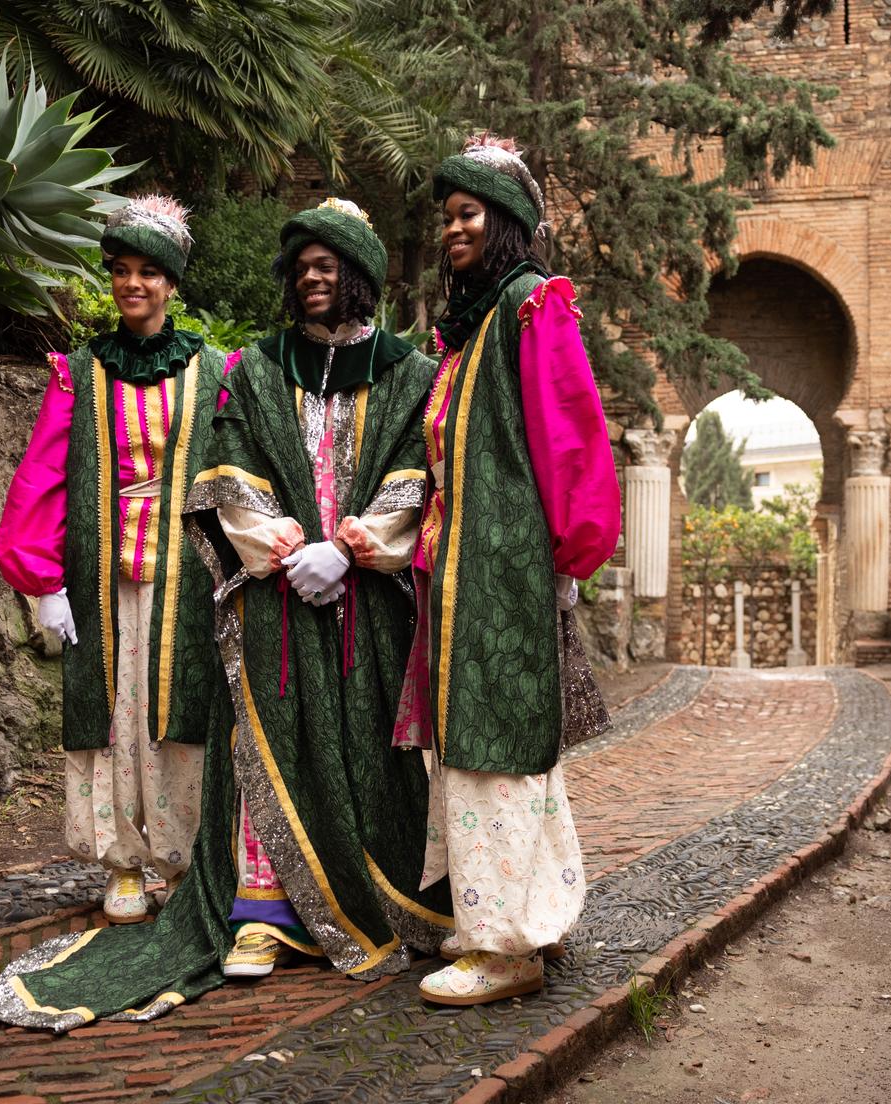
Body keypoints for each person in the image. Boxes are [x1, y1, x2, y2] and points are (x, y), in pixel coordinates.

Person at [186, 197, 455, 981]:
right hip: (277, 594)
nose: (310, 277)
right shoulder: (257, 367)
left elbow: (422, 471)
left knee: (370, 747)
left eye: (326, 265)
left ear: (360, 276)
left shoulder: (411, 374)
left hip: (369, 599)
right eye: (301, 266)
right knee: (268, 744)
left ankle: (382, 900)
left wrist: (352, 549)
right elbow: (228, 465)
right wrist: (281, 549)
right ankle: (262, 919)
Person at [395, 135, 621, 1006]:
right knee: (482, 754)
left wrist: (570, 552)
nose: (453, 229)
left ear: (508, 224)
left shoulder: (532, 307)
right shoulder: (474, 326)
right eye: (446, 217)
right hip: (458, 573)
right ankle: (524, 916)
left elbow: (572, 433)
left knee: (499, 753)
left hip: (504, 570)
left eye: (468, 215)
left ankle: (506, 949)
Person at [0, 192, 234, 926]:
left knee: (178, 713)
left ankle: (185, 856)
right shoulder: (81, 371)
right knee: (117, 716)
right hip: (103, 576)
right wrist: (42, 580)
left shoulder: (215, 369)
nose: (133, 284)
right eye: (121, 270)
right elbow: (42, 474)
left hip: (188, 573)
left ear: (172, 283)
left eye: (149, 273)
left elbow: (237, 470)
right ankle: (124, 863)